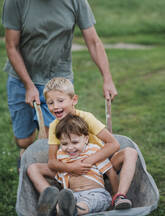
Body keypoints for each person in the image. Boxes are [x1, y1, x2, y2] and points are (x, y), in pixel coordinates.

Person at [1, 0, 117, 159]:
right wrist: (29, 85)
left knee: (55, 135)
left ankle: (55, 175)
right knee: (23, 140)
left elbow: (94, 42)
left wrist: (107, 78)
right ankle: (28, 156)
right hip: (21, 79)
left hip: (57, 80)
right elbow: (11, 46)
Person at [27, 77, 137, 214]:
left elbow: (113, 144)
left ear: (74, 100)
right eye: (50, 103)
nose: (55, 106)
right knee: (32, 168)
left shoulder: (86, 118)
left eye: (60, 101)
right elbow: (52, 162)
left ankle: (119, 196)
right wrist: (72, 167)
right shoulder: (54, 126)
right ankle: (54, 202)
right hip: (70, 165)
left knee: (130, 152)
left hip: (99, 162)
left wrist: (86, 162)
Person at [28, 113, 115, 216]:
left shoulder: (93, 151)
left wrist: (116, 195)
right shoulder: (61, 155)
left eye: (75, 142)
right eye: (64, 144)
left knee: (86, 203)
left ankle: (73, 211)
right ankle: (51, 208)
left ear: (86, 139)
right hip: (72, 195)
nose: (70, 148)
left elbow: (111, 172)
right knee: (66, 201)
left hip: (95, 193)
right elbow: (61, 175)